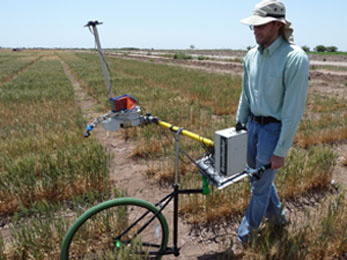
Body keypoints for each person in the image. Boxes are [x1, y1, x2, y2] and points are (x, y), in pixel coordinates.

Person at [235, 0, 309, 243]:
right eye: (253, 27)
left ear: (277, 25)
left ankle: (245, 237)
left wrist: (281, 150)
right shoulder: (251, 56)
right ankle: (278, 219)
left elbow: (293, 110)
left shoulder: (295, 58)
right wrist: (240, 124)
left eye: (261, 26)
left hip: (273, 130)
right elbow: (245, 94)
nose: (256, 31)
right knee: (256, 177)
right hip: (253, 126)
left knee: (258, 186)